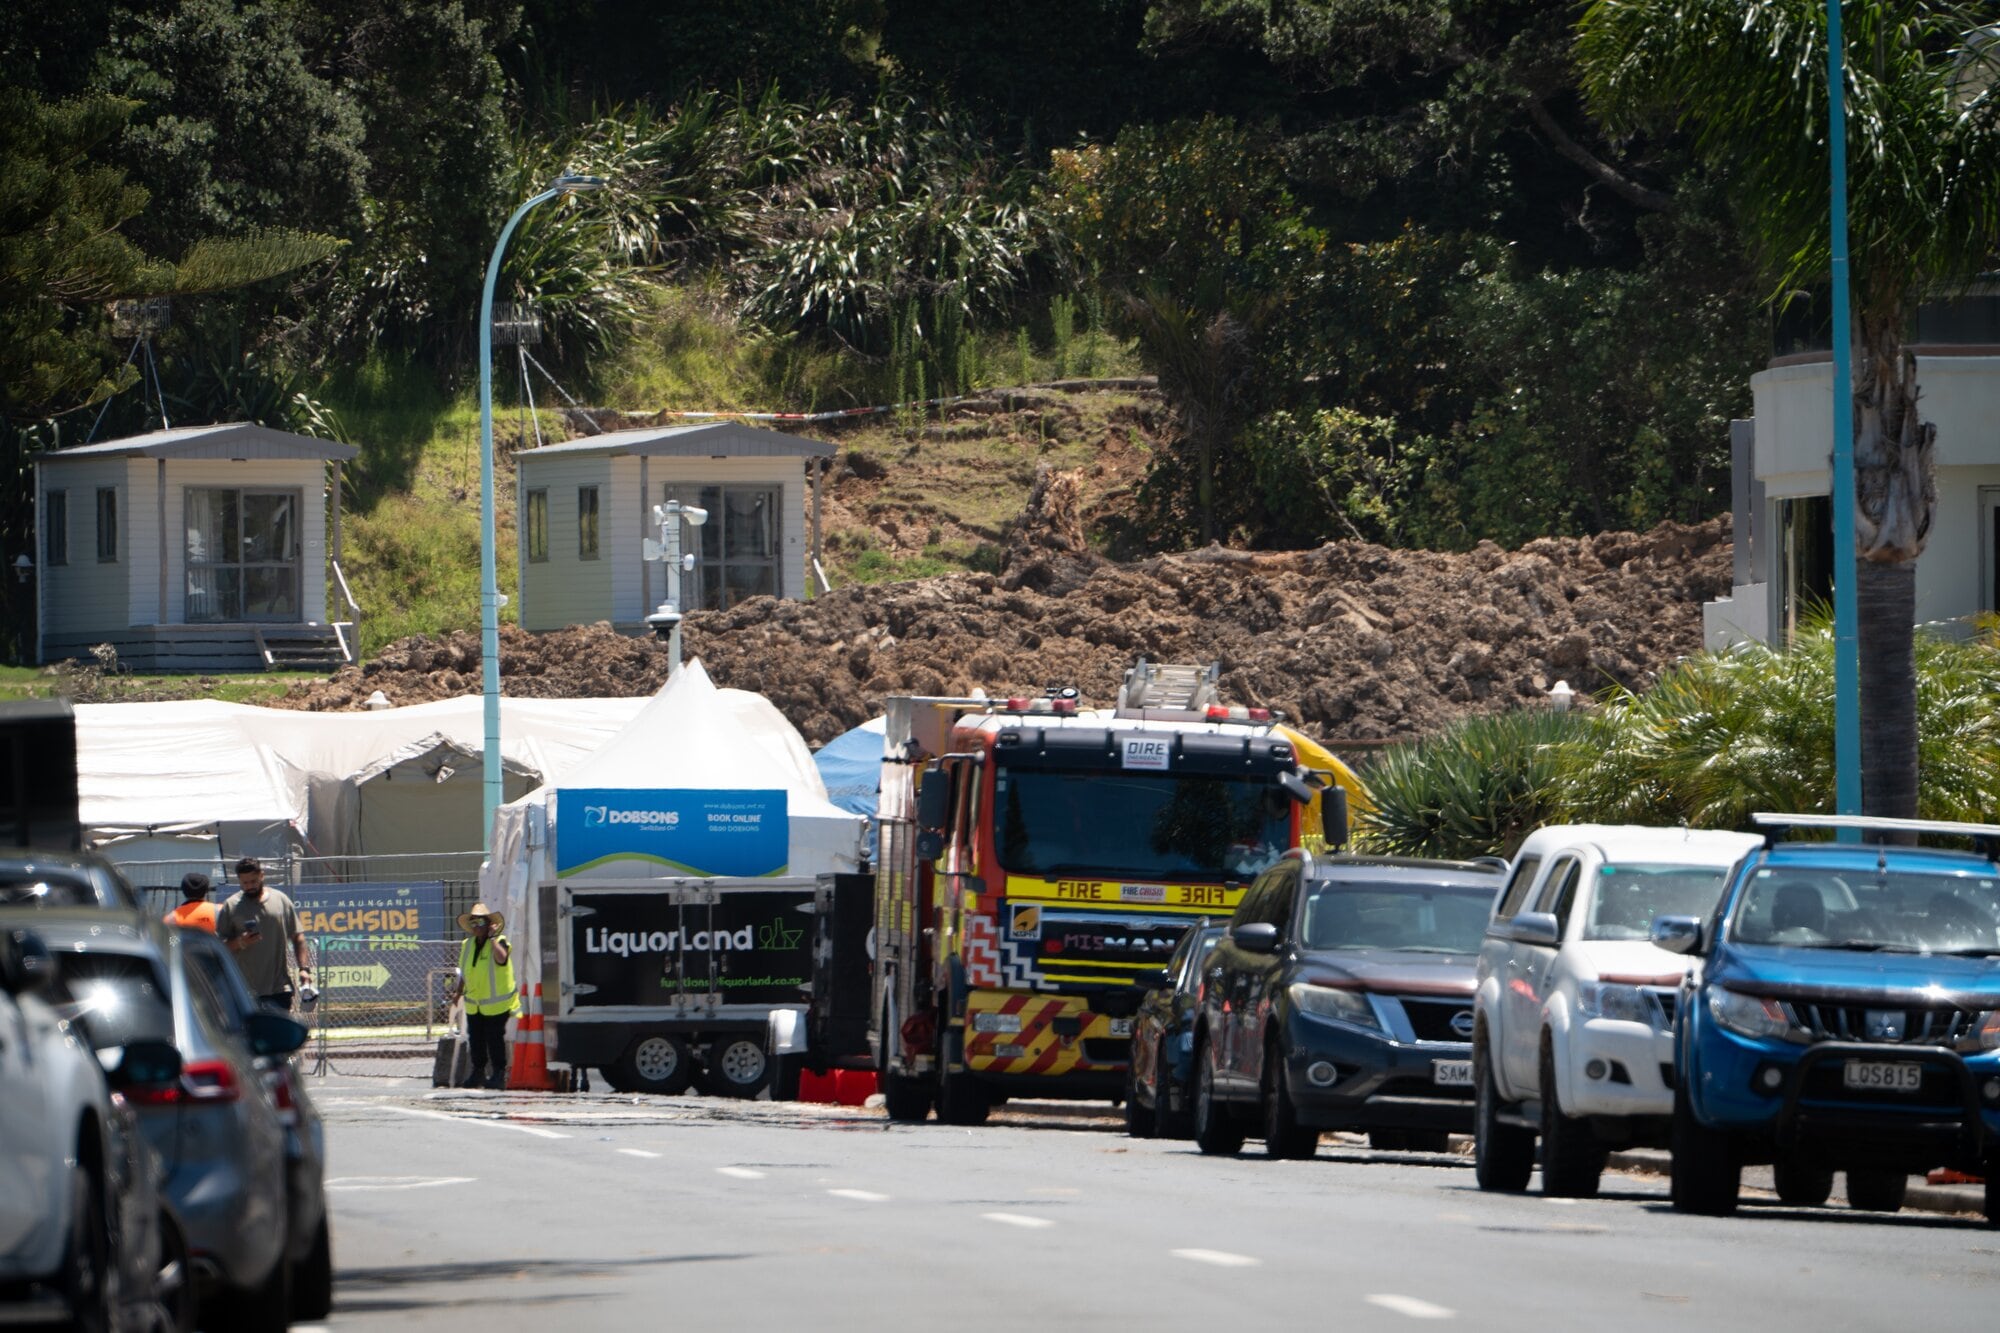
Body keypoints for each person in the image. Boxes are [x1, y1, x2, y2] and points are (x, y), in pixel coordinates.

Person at [217, 857, 310, 1010]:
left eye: (253, 881)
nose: (249, 886)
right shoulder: (230, 906)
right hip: (245, 991)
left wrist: (304, 969)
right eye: (245, 883)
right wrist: (241, 942)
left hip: (279, 989)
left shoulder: (281, 900)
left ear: (262, 876)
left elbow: (298, 936)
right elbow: (220, 947)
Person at [451, 902, 517, 1090]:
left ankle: (498, 1073)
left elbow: (501, 958)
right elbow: (464, 970)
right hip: (475, 1003)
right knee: (476, 1039)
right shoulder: (467, 944)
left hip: (496, 1004)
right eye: (473, 922)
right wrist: (458, 992)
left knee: (494, 1039)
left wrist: (492, 938)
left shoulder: (500, 941)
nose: (476, 926)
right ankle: (478, 1072)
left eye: (480, 921)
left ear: (489, 924)